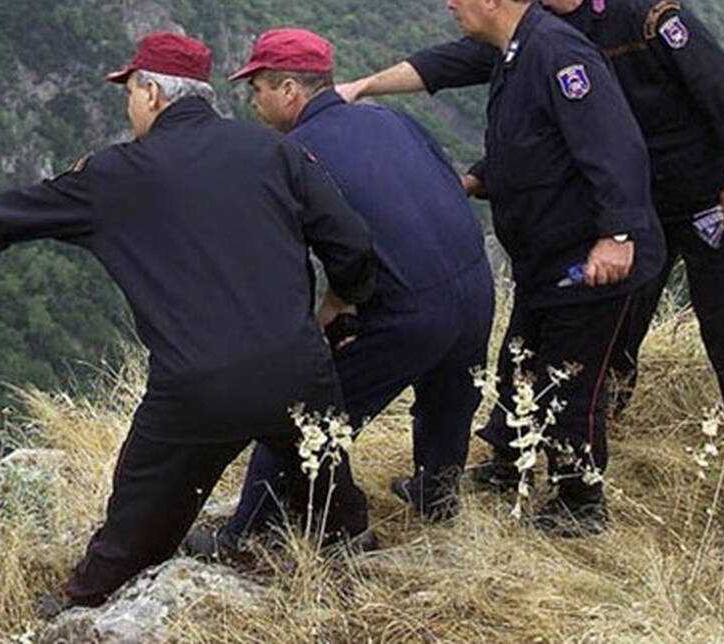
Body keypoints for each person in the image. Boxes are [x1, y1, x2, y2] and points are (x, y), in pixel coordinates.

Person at [0, 32, 378, 607]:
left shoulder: (117, 173)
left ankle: (83, 607)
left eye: (131, 92)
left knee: (140, 520)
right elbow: (352, 243)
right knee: (332, 503)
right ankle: (351, 577)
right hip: (298, 367)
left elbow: (9, 212)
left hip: (199, 385)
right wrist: (339, 306)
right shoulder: (272, 150)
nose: (129, 105)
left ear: (152, 94)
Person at [335, 0, 665, 536]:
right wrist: (472, 180)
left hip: (590, 259)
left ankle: (578, 506)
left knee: (570, 384)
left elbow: (614, 151)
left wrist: (617, 237)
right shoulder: (516, 52)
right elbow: (532, 145)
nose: (450, 3)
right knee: (518, 368)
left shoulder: (560, 55)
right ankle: (506, 467)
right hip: (545, 258)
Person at [491, 0, 724, 539]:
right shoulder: (544, 31)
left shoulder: (639, 8)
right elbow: (462, 61)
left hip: (710, 201)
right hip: (637, 213)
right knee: (613, 337)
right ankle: (579, 463)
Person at [184, 28, 494, 557]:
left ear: (289, 90)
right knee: (449, 397)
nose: (253, 101)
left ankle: (246, 534)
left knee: (304, 418)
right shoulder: (389, 118)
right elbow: (445, 184)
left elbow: (303, 255)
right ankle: (437, 495)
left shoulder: (293, 154)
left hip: (409, 307)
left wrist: (333, 304)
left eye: (257, 88)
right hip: (474, 283)